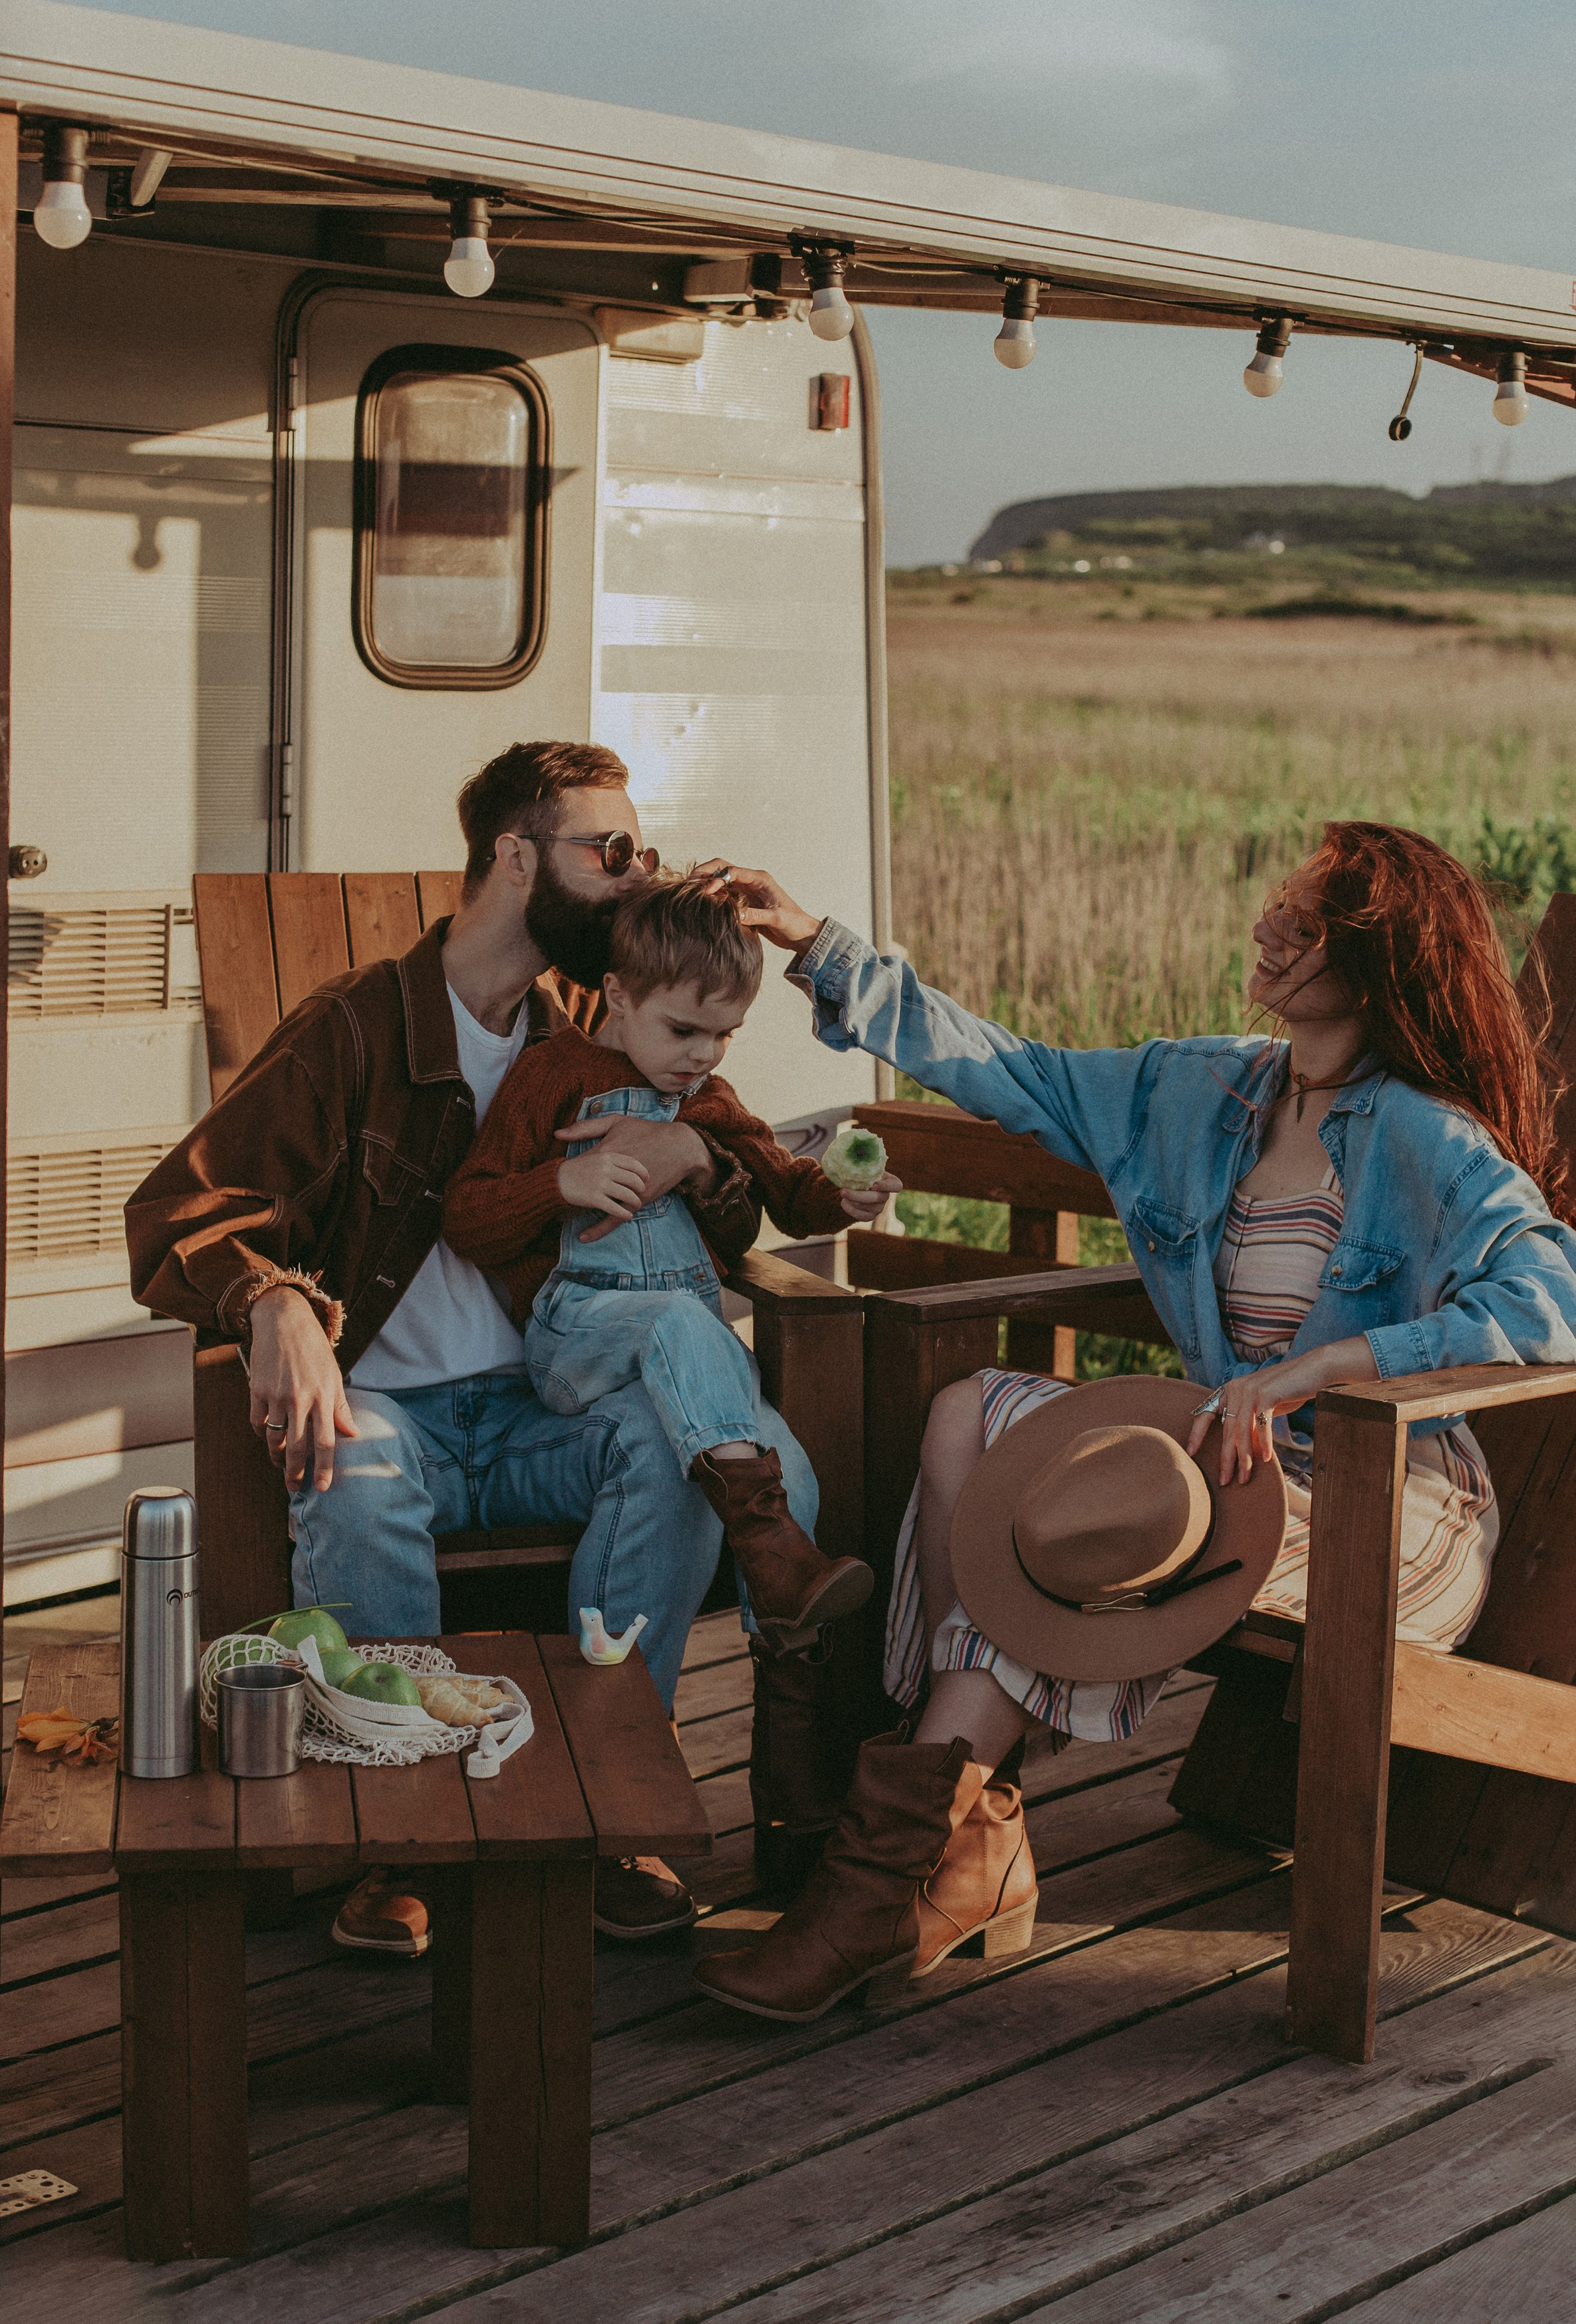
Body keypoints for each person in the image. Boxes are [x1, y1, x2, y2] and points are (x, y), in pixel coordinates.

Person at [688, 821, 1576, 2020]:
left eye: (1309, 922)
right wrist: (815, 944)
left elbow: (1553, 1303)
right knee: (971, 1418)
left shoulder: (1425, 1137)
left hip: (1389, 1502)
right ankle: (967, 1832)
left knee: (1080, 1540)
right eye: (1283, 899)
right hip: (1225, 1463)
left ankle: (876, 1887)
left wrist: (1327, 1368)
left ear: (1374, 970)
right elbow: (1013, 1071)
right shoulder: (1206, 1090)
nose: (1271, 925)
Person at [128, 740, 763, 1952]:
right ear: (516, 858)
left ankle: (607, 1804)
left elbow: (734, 1188)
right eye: (612, 850)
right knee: (355, 1473)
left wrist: (701, 1157)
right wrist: (271, 1303)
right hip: (390, 1408)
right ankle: (405, 1830)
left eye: (644, 851)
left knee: (670, 1448)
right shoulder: (358, 1029)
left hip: (543, 1405)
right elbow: (182, 1210)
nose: (638, 876)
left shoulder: (601, 1029)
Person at [444, 877, 898, 1816]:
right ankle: (766, 1546)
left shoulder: (710, 1101)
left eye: (725, 1035)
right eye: (684, 1030)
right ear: (616, 995)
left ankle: (789, 1740)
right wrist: (561, 1183)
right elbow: (469, 1216)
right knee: (681, 1322)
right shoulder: (551, 1077)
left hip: (679, 1373)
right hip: (579, 1334)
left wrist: (841, 1199)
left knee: (794, 1476)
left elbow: (786, 1189)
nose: (702, 1056)